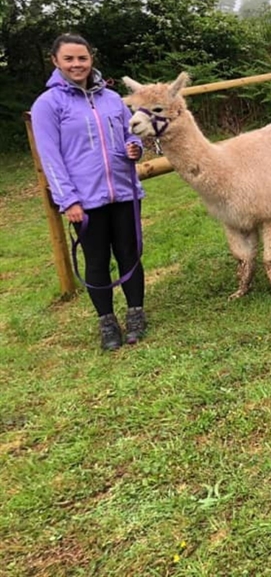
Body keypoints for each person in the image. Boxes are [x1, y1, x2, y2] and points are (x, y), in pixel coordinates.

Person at [31, 33, 148, 351]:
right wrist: (67, 199)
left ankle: (136, 314)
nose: (76, 64)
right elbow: (50, 157)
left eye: (82, 58)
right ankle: (107, 323)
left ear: (91, 59)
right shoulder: (48, 105)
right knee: (96, 261)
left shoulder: (111, 99)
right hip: (85, 201)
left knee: (130, 254)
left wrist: (135, 147)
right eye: (68, 59)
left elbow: (131, 135)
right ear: (56, 62)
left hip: (123, 193)